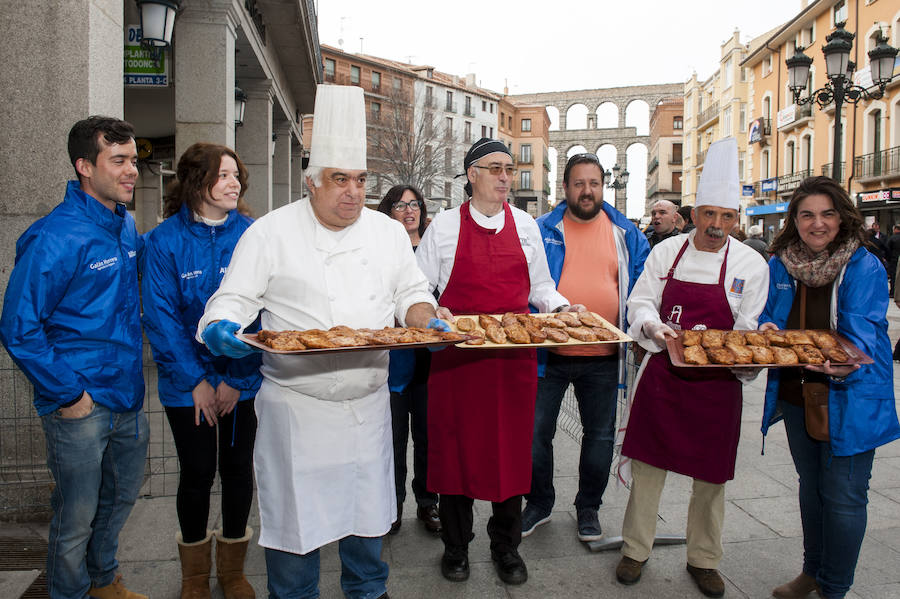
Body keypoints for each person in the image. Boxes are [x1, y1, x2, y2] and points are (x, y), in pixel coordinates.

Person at [195, 85, 443, 599]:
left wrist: (428, 319)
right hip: (297, 415)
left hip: (366, 410)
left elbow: (411, 292)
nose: (352, 192)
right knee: (294, 542)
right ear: (311, 182)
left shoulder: (387, 232)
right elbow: (232, 299)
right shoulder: (269, 232)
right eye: (339, 180)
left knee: (367, 533)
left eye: (359, 179)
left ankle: (368, 593)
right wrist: (223, 329)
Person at [0, 116, 149, 599]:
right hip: (80, 404)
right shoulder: (55, 236)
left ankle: (103, 582)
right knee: (75, 519)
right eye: (119, 161)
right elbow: (19, 326)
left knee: (120, 499)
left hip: (125, 397)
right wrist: (69, 394)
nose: (132, 171)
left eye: (134, 160)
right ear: (85, 166)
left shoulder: (124, 224)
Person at [416, 138, 575, 586]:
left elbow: (541, 288)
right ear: (471, 174)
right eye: (495, 168)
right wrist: (432, 311)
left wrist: (562, 309)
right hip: (458, 363)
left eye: (509, 168)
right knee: (454, 455)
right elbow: (420, 290)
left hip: (512, 363)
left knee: (511, 457)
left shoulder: (525, 226)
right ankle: (455, 547)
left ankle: (506, 547)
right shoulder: (444, 228)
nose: (506, 176)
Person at [615, 138, 769, 598]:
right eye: (710, 215)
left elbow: (746, 327)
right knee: (647, 469)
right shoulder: (667, 253)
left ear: (735, 220)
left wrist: (746, 352)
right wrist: (653, 327)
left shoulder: (750, 264)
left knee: (712, 478)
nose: (718, 225)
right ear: (694, 214)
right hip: (664, 376)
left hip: (717, 387)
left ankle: (704, 558)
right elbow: (640, 301)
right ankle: (635, 549)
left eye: (727, 217)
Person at [759, 176, 900, 599]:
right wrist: (765, 327)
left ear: (842, 217)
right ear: (794, 220)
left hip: (850, 395)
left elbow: (863, 333)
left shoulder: (863, 265)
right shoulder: (780, 263)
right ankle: (812, 571)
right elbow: (768, 314)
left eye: (827, 214)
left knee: (843, 496)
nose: (817, 224)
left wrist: (844, 360)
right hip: (797, 393)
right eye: (807, 215)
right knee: (811, 488)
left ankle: (834, 588)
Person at [141, 143, 261, 599]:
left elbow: (263, 314)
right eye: (223, 175)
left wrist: (236, 380)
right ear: (195, 181)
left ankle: (232, 570)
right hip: (184, 386)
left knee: (237, 470)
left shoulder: (253, 235)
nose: (234, 183)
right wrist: (195, 381)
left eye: (237, 175)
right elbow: (162, 317)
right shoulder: (163, 241)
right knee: (195, 473)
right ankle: (194, 576)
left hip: (240, 382)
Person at [522, 153, 649, 542]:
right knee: (534, 433)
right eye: (579, 183)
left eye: (594, 183)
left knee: (600, 436)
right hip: (549, 356)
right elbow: (525, 283)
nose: (587, 190)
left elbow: (644, 287)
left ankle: (588, 507)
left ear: (602, 186)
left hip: (605, 357)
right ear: (565, 188)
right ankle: (539, 503)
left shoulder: (626, 233)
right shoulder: (541, 229)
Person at [376, 185, 441, 535]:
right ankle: (393, 504)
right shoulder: (380, 252)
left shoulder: (435, 250)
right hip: (394, 363)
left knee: (429, 437)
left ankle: (428, 503)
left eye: (414, 204)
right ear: (388, 212)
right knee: (395, 436)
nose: (408, 210)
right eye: (400, 205)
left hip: (430, 362)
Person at [885, 224, 900, 295]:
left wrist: (888, 259)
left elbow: (887, 249)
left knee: (894, 276)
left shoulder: (892, 238)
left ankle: (893, 291)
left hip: (894, 260)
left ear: (895, 229)